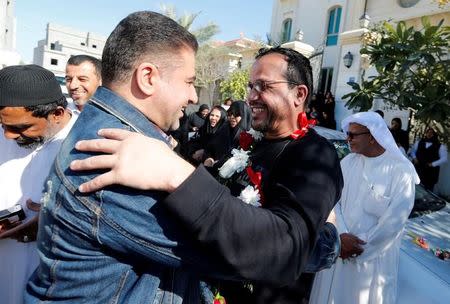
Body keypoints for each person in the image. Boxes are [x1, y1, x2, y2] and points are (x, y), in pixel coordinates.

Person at [68, 46, 344, 304]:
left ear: (299, 95)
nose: (251, 96)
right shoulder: (249, 141)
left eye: (264, 86)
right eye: (251, 86)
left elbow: (287, 248)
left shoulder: (315, 156)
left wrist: (175, 172)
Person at [310, 111, 420, 304]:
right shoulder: (347, 163)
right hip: (340, 249)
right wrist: (341, 239)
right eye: (347, 134)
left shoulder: (400, 171)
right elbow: (334, 202)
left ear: (372, 136)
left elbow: (393, 222)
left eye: (353, 135)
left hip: (370, 262)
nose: (348, 139)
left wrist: (360, 247)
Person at [0, 64, 77, 304]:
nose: (8, 136)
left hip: (47, 277)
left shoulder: (84, 144)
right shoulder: (6, 134)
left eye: (19, 128)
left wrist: (51, 222)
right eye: (3, 125)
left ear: (56, 114)